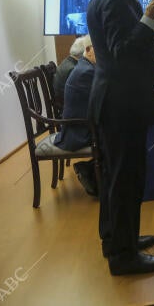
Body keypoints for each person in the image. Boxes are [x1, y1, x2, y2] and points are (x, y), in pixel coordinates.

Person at [87, 0, 154, 276]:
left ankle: (115, 240)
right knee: (127, 177)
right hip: (120, 105)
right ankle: (124, 258)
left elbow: (122, 45)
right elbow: (123, 53)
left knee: (116, 176)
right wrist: (151, 18)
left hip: (116, 103)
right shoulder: (115, 1)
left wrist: (152, 29)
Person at [53, 35, 98, 196]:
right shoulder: (86, 72)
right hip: (78, 132)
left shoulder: (84, 67)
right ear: (88, 50)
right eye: (98, 49)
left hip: (78, 126)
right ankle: (91, 172)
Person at [53, 36, 86, 110]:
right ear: (84, 53)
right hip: (69, 108)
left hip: (63, 104)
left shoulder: (66, 61)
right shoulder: (74, 69)